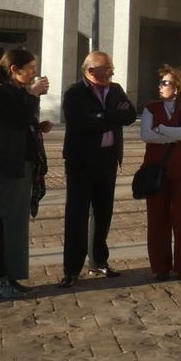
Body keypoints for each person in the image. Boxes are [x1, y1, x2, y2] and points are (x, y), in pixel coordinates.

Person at [0, 48, 52, 300]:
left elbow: (23, 121)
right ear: (13, 70)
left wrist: (37, 125)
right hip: (6, 163)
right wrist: (32, 94)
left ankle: (11, 274)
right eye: (28, 68)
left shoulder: (17, 92)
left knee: (17, 222)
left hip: (23, 161)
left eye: (34, 68)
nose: (33, 73)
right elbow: (16, 118)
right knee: (4, 220)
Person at [60, 50, 137, 287]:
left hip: (108, 159)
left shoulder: (115, 89)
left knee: (103, 213)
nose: (111, 72)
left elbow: (131, 115)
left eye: (112, 68)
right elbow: (81, 122)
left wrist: (103, 116)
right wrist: (111, 117)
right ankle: (72, 269)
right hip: (81, 161)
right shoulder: (75, 92)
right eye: (107, 68)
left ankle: (99, 261)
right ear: (91, 70)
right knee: (77, 215)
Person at [141, 66, 181, 279]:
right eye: (161, 83)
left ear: (177, 87)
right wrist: (172, 134)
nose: (161, 87)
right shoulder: (151, 108)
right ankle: (160, 267)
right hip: (155, 169)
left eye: (165, 83)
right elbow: (147, 134)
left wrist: (162, 129)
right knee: (157, 218)